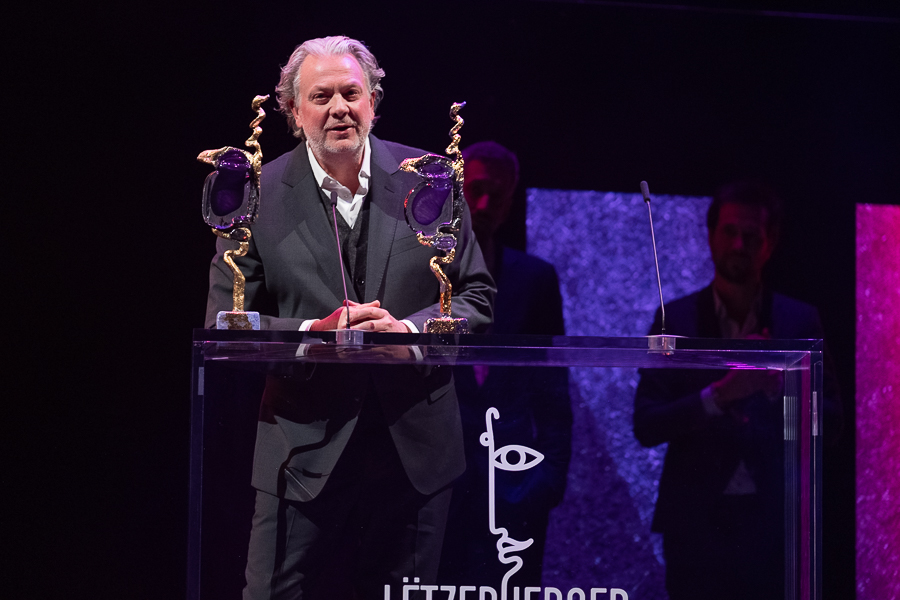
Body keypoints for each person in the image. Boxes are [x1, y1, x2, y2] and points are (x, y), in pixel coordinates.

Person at [205, 36, 495, 599]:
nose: (339, 108)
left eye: (351, 93)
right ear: (294, 112)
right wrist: (314, 334)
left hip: (415, 452)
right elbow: (226, 322)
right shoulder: (256, 194)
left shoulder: (431, 179)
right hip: (301, 452)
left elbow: (475, 296)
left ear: (373, 103)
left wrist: (409, 334)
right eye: (321, 96)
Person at [632, 180, 841, 600]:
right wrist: (720, 394)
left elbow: (832, 422)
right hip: (694, 526)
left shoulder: (798, 320)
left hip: (776, 527)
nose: (739, 245)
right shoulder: (675, 319)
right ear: (710, 235)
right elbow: (647, 424)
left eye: (751, 235)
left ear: (770, 243)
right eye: (729, 232)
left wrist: (780, 388)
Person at [439, 141, 572, 588]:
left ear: (511, 202)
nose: (484, 205)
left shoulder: (534, 279)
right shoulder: (424, 273)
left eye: (496, 195)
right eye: (476, 190)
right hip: (440, 484)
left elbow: (553, 382)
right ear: (457, 193)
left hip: (517, 483)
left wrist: (550, 475)